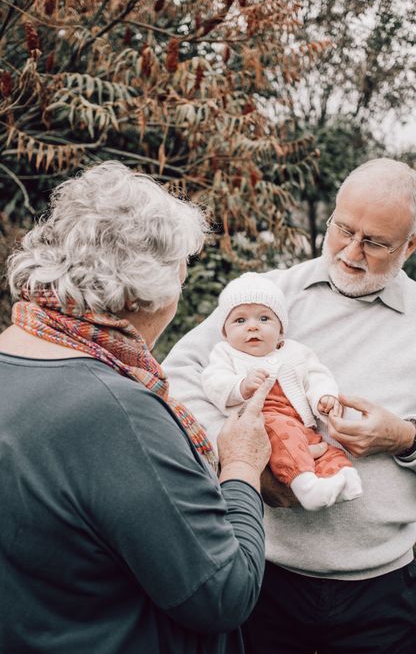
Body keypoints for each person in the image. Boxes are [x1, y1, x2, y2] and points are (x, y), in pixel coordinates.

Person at [163, 157, 416, 654]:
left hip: (380, 590)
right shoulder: (266, 296)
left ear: (411, 245)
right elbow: (177, 376)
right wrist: (244, 460)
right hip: (264, 574)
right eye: (343, 230)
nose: (351, 253)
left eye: (375, 242)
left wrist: (406, 437)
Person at [0, 160, 273, 654]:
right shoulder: (117, 412)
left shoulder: (12, 355)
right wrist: (241, 466)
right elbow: (223, 594)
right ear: (139, 297)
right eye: (179, 280)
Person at [201, 273, 362, 510]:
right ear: (225, 332)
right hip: (261, 425)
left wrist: (324, 397)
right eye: (240, 321)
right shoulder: (225, 354)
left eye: (264, 318)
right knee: (286, 440)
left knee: (327, 451)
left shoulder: (296, 352)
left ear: (281, 331)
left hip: (302, 425)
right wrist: (241, 386)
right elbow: (213, 382)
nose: (253, 326)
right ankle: (306, 487)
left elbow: (317, 375)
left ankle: (344, 480)